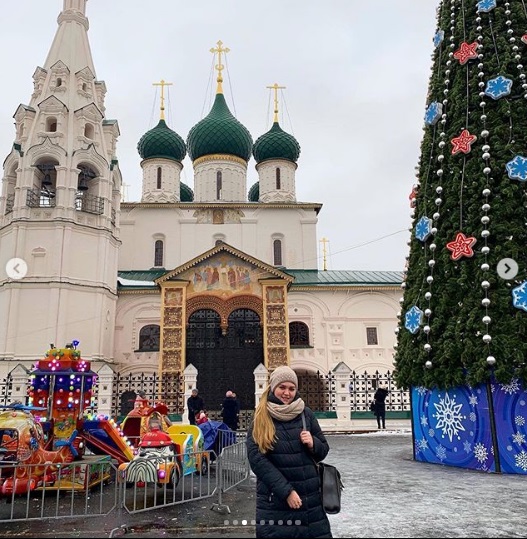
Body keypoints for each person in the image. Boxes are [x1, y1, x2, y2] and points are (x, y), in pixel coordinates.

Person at [247, 366, 332, 538]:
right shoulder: (261, 417)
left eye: (292, 388)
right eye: (282, 387)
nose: (287, 393)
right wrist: (286, 492)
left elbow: (323, 450)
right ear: (273, 388)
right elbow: (257, 460)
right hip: (276, 501)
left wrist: (313, 443)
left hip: (310, 502)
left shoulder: (305, 413)